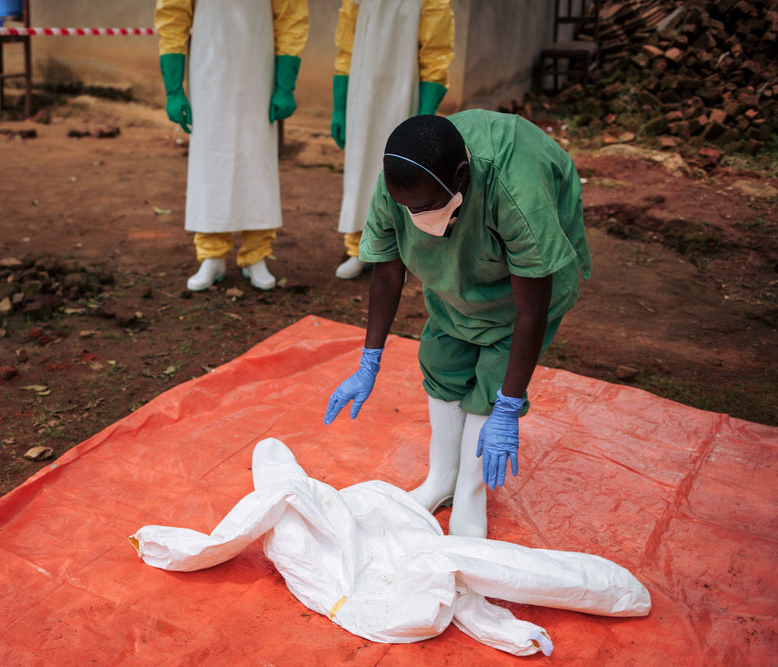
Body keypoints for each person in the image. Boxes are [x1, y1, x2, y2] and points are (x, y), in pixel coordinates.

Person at [324, 111, 592, 538]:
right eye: (408, 208)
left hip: (519, 301)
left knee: (494, 378)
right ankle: (442, 480)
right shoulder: (397, 185)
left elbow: (531, 312)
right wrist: (369, 360)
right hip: (456, 280)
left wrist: (508, 404)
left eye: (426, 207)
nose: (417, 218)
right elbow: (388, 270)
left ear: (462, 176)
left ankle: (470, 495)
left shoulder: (516, 190)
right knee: (442, 360)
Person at [154, 0, 309, 291]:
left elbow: (290, 15)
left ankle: (256, 254)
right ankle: (212, 254)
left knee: (256, 160)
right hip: (207, 73)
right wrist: (174, 88)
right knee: (209, 160)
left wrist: (285, 84)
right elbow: (172, 13)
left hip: (258, 73)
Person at [330, 0, 454, 280]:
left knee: (405, 173)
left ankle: (403, 250)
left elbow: (436, 51)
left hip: (404, 94)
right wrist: (339, 107)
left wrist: (425, 113)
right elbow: (346, 47)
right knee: (360, 173)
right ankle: (358, 247)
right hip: (361, 97)